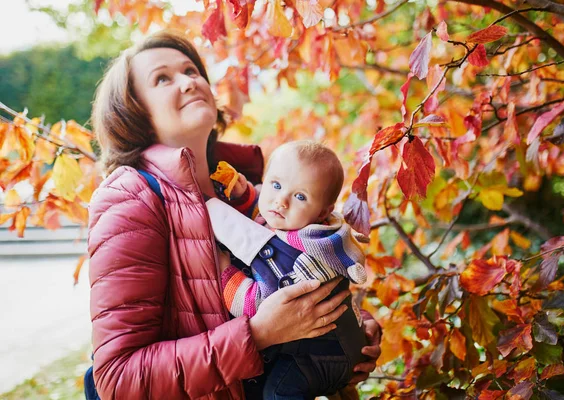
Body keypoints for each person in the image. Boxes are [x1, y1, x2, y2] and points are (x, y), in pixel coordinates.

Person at [87, 29, 381, 400]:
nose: (188, 82)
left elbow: (303, 267)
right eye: (162, 78)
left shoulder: (259, 186)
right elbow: (118, 379)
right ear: (134, 113)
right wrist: (258, 334)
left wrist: (350, 332)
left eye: (192, 71)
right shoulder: (129, 199)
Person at [206, 140, 370, 399]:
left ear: (322, 213)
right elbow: (262, 217)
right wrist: (244, 196)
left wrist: (225, 272)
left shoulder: (306, 255)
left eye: (300, 196)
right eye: (276, 185)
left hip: (323, 355)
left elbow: (256, 305)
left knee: (277, 393)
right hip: (329, 342)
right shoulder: (294, 224)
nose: (281, 201)